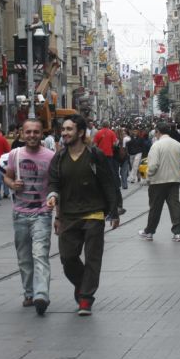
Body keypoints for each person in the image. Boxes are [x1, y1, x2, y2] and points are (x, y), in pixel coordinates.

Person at [47, 115, 121, 315]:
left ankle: (86, 298)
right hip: (69, 215)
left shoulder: (94, 154)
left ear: (80, 132)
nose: (65, 133)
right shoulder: (60, 157)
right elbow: (54, 182)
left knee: (92, 259)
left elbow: (108, 182)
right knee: (67, 258)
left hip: (94, 213)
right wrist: (54, 200)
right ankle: (82, 285)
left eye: (69, 129)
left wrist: (114, 211)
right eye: (63, 130)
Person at [3, 118, 56, 315]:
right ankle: (29, 292)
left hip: (42, 213)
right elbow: (7, 176)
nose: (32, 135)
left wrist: (54, 202)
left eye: (36, 132)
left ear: (42, 134)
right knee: (24, 257)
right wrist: (11, 184)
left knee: (40, 254)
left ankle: (41, 295)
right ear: (22, 134)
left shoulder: (51, 156)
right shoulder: (14, 154)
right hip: (20, 213)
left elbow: (54, 183)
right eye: (28, 132)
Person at [139, 123, 180, 241]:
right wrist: (175, 170)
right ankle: (177, 232)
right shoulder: (177, 145)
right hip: (174, 180)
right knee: (174, 205)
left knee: (155, 207)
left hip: (158, 181)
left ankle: (149, 232)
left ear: (158, 132)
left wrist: (148, 175)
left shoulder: (156, 146)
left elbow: (153, 165)